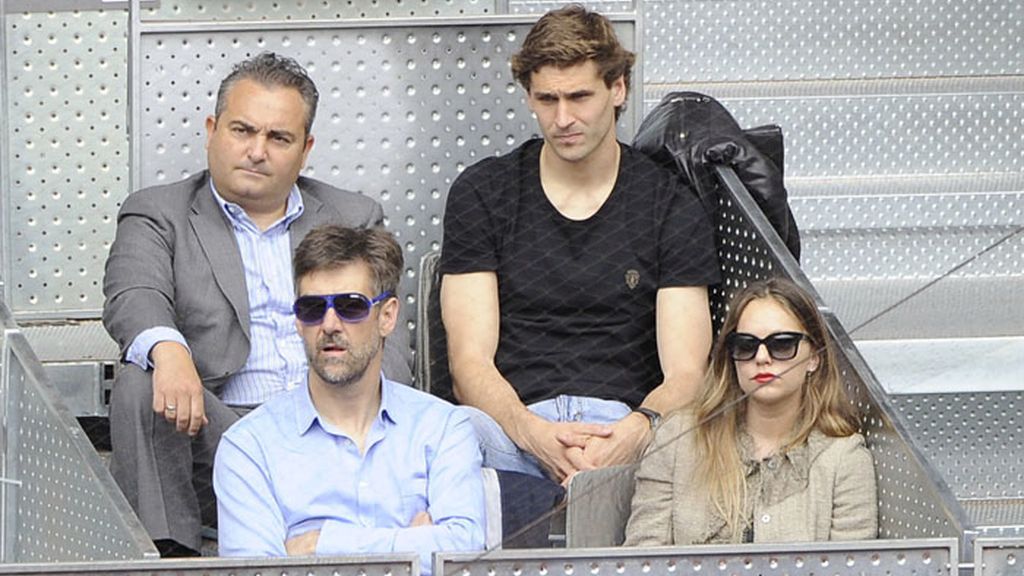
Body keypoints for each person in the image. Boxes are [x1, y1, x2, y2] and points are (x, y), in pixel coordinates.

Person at [102, 52, 412, 556]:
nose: (256, 151)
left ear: (305, 149)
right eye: (242, 131)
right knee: (141, 381)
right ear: (212, 131)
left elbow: (388, 339)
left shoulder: (353, 215)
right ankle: (169, 557)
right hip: (222, 427)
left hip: (331, 420)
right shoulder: (160, 212)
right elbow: (134, 293)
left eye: (278, 138)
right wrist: (169, 352)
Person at [439, 4, 720, 484]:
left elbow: (687, 375)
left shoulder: (668, 202)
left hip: (629, 430)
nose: (563, 118)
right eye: (547, 99)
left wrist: (634, 432)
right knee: (448, 432)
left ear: (618, 89)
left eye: (580, 97)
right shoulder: (484, 192)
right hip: (513, 428)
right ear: (529, 97)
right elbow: (469, 363)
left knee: (695, 438)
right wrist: (533, 433)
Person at [214, 225, 484, 575]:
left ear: (387, 316)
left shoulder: (444, 428)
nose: (329, 324)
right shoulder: (248, 447)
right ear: (298, 321)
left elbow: (466, 554)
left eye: (350, 306)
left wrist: (319, 545)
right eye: (312, 308)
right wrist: (411, 546)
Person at [624, 278, 878, 545]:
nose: (762, 357)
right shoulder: (677, 439)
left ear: (814, 357)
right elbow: (643, 555)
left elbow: (851, 564)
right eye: (746, 345)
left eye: (782, 344)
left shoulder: (844, 458)